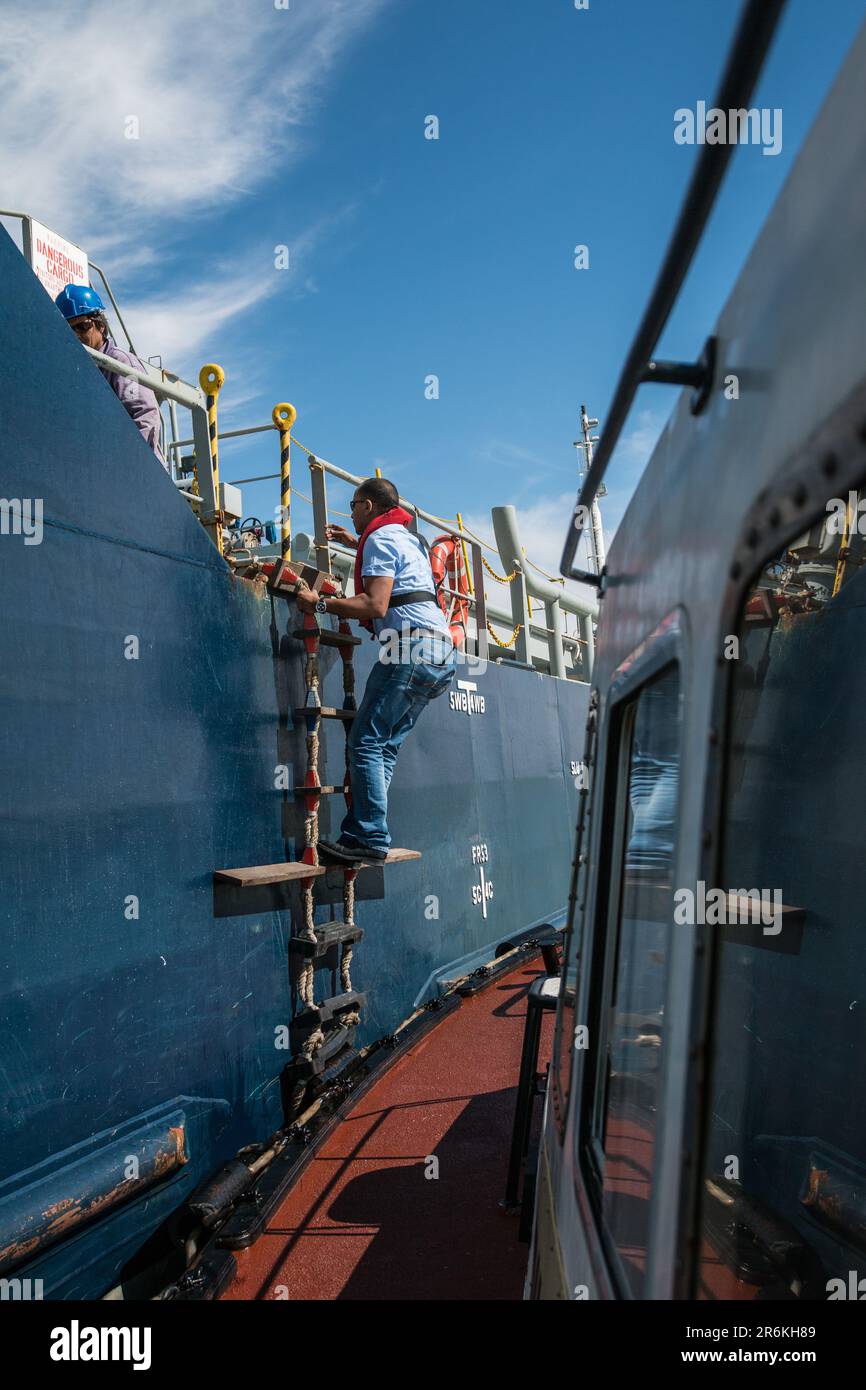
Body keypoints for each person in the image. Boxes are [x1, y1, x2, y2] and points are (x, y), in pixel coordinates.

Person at [296, 476, 456, 864]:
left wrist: (319, 605)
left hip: (409, 648)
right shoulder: (405, 538)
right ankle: (368, 833)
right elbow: (404, 576)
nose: (350, 512)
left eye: (353, 505)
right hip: (440, 652)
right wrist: (355, 545)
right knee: (383, 747)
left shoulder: (381, 539)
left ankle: (368, 836)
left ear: (368, 506)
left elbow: (376, 604)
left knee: (365, 741)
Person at [55, 284, 166, 465]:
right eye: (69, 330)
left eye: (83, 327)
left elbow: (145, 415)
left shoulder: (121, 365)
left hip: (137, 475)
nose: (75, 335)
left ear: (101, 326)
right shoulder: (74, 375)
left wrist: (125, 464)